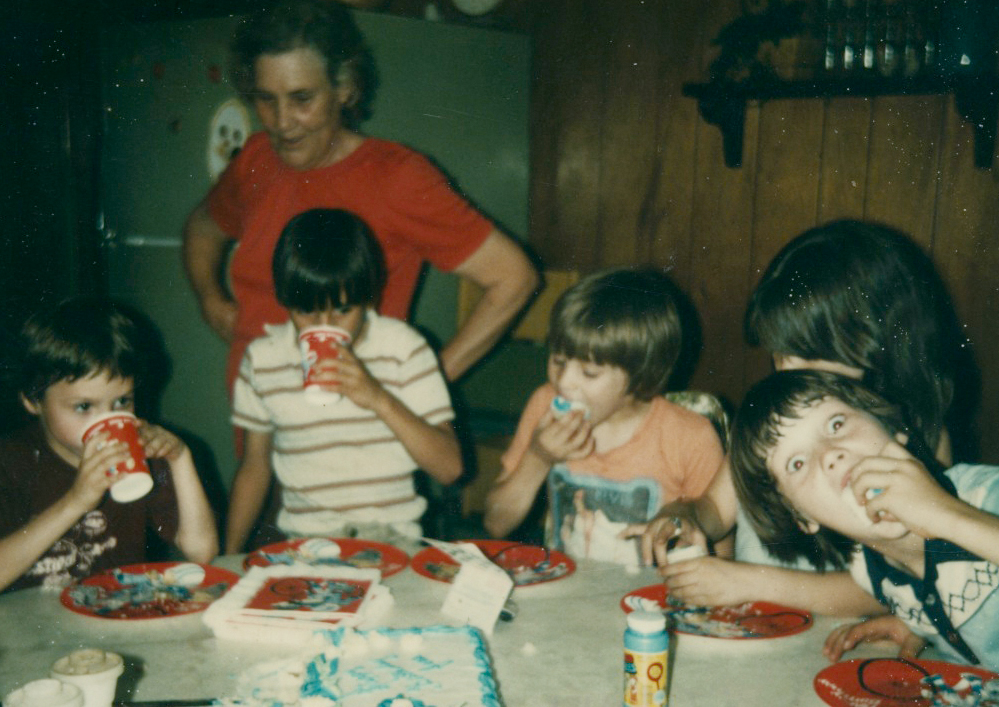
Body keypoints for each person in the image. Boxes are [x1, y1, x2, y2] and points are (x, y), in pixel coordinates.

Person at [183, 0, 538, 393]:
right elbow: (203, 227)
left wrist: (422, 384)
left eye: (302, 99)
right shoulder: (255, 158)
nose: (282, 123)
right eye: (266, 99)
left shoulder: (398, 177)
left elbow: (514, 277)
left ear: (345, 89)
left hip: (356, 432)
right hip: (259, 423)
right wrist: (211, 299)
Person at [634, 220, 970, 617]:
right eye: (779, 353)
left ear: (875, 340)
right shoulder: (778, 422)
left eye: (804, 351)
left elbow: (908, 583)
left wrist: (747, 581)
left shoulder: (919, 439)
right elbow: (713, 509)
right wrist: (684, 516)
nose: (788, 370)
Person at [225, 208, 462, 553]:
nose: (327, 325)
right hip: (307, 544)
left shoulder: (403, 349)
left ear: (369, 296)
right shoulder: (263, 360)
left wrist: (377, 397)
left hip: (392, 539)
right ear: (285, 300)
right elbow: (254, 466)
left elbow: (450, 468)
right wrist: (227, 555)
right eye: (306, 312)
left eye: (343, 310)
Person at [730, 369, 999, 668]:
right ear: (802, 517)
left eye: (836, 424)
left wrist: (943, 513)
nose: (829, 455)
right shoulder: (869, 571)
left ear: (891, 427)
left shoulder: (985, 496)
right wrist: (917, 627)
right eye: (797, 463)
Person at [483, 268, 725, 565]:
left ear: (640, 377)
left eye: (589, 372)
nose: (565, 382)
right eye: (558, 361)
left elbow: (720, 555)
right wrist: (538, 456)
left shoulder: (690, 436)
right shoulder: (545, 404)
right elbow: (495, 524)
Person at [0, 297, 218, 593]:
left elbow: (202, 553)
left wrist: (180, 459)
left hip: (116, 619)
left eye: (121, 402)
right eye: (83, 406)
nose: (107, 420)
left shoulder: (138, 456)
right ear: (32, 400)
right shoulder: (11, 462)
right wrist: (76, 501)